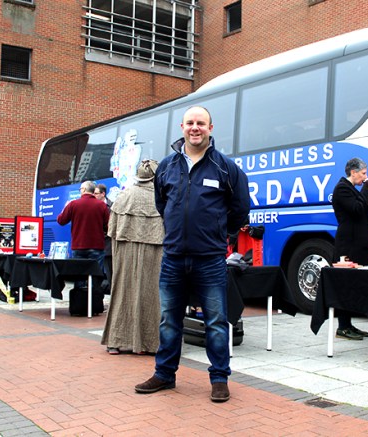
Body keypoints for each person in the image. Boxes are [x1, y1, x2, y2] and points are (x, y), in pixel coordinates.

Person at [135, 106, 250, 403]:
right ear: (182, 127)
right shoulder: (167, 167)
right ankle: (164, 374)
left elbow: (240, 209)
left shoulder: (226, 167)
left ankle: (219, 378)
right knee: (169, 320)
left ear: (211, 127)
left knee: (215, 320)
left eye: (201, 123)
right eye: (190, 123)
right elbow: (163, 204)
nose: (195, 128)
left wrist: (218, 231)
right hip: (173, 257)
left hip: (210, 258)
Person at [101, 160, 164, 355]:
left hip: (125, 252)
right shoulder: (162, 198)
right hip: (155, 252)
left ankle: (116, 340)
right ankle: (153, 342)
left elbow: (112, 230)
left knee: (122, 291)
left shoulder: (124, 196)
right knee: (153, 295)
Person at [331, 158, 368, 340]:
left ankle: (348, 324)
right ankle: (342, 326)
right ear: (353, 172)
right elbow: (357, 209)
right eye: (363, 173)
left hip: (358, 243)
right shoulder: (342, 188)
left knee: (355, 286)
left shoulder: (352, 189)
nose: (365, 177)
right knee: (345, 285)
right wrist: (366, 190)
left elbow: (362, 209)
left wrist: (367, 191)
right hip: (348, 245)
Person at [57, 180, 110, 311]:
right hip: (97, 247)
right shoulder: (101, 206)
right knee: (96, 275)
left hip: (78, 246)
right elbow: (108, 226)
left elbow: (61, 220)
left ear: (83, 190)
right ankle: (95, 304)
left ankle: (80, 306)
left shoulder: (73, 204)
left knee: (79, 275)